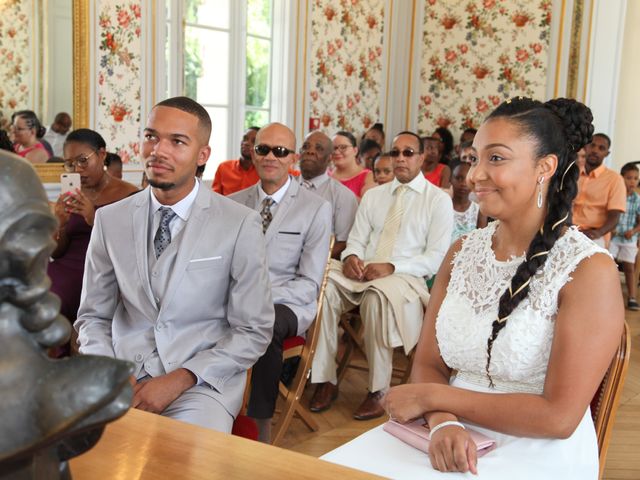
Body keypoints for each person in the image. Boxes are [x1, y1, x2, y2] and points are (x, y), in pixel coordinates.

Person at [380, 98, 623, 478]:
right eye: (474, 158)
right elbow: (428, 364)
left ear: (545, 168)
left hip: (537, 449)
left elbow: (558, 416)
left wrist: (433, 397)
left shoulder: (588, 270)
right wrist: (444, 421)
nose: (475, 175)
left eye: (496, 159)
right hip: (448, 431)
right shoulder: (462, 252)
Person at [75, 97, 274, 433]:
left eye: (177, 141)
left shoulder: (240, 223)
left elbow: (252, 330)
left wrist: (181, 378)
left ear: (202, 155)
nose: (158, 150)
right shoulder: (110, 220)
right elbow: (93, 317)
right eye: (151, 136)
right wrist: (110, 371)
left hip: (201, 385)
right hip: (121, 379)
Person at [310, 131, 453, 420]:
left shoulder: (437, 200)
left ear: (422, 157)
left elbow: (436, 258)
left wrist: (392, 267)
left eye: (408, 153)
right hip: (364, 271)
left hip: (405, 277)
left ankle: (379, 389)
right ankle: (325, 378)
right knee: (322, 286)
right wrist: (350, 257)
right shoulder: (374, 196)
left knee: (377, 297)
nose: (400, 158)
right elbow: (357, 240)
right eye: (396, 152)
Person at [230, 123, 332, 442]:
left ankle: (261, 425)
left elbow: (309, 283)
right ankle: (208, 405)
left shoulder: (315, 208)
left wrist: (257, 295)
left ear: (294, 158)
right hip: (232, 301)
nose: (271, 156)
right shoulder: (233, 203)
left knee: (265, 322)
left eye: (280, 151)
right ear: (253, 153)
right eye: (263, 149)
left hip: (288, 305)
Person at [48, 129, 138, 349]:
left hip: (103, 271)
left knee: (56, 307)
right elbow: (57, 252)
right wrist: (58, 223)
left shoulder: (130, 195)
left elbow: (131, 252)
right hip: (65, 268)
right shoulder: (74, 195)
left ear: (102, 154)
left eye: (83, 161)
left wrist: (93, 218)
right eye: (70, 164)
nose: (77, 170)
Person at [298, 130, 358, 259]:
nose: (310, 151)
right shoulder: (284, 187)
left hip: (318, 264)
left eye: (319, 149)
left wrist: (309, 260)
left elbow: (343, 243)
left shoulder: (343, 196)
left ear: (330, 158)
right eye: (306, 147)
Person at [573, 133, 626, 247]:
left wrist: (597, 233)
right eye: (592, 145)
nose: (595, 150)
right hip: (569, 230)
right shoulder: (573, 173)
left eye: (601, 148)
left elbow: (615, 215)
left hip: (594, 236)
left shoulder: (615, 179)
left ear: (607, 154)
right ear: (586, 147)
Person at [609, 163, 640, 310]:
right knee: (609, 265)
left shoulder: (637, 199)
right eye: (629, 178)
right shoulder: (616, 194)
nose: (633, 181)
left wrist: (633, 231)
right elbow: (609, 214)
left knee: (629, 267)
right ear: (621, 178)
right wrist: (611, 228)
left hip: (629, 238)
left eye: (635, 178)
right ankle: (610, 294)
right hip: (614, 237)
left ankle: (632, 297)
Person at [212, 127, 260, 195]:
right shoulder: (223, 167)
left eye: (253, 141)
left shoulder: (263, 172)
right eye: (245, 139)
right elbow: (215, 197)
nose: (246, 143)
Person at [329, 131, 376, 199]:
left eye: (343, 147)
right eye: (333, 148)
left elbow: (366, 206)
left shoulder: (368, 176)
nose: (336, 152)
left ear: (355, 150)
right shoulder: (325, 174)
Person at [450, 161, 487, 242]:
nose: (463, 184)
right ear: (451, 180)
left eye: (467, 179)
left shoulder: (478, 210)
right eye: (458, 178)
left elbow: (481, 241)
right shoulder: (443, 206)